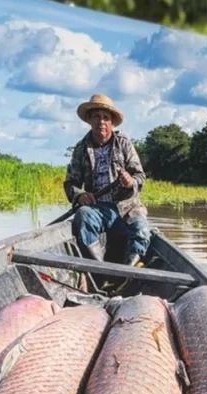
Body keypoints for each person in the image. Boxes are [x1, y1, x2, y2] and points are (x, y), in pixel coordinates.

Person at [63, 93, 151, 268]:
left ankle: (129, 270)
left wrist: (129, 181)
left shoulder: (124, 143)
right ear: (89, 120)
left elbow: (139, 176)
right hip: (97, 211)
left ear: (111, 122)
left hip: (126, 209)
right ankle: (101, 271)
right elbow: (70, 183)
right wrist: (80, 195)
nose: (101, 121)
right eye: (96, 116)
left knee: (142, 230)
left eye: (105, 117)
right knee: (82, 216)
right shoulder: (81, 149)